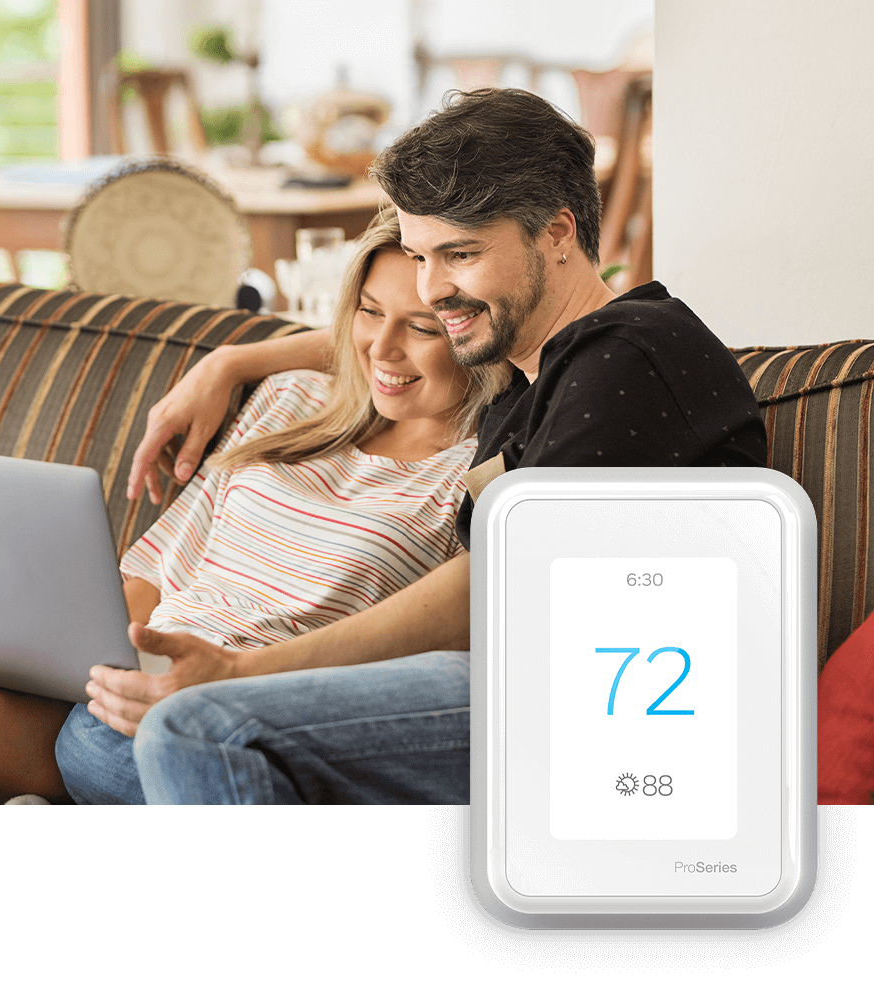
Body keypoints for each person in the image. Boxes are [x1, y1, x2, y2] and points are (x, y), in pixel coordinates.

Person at [79, 87, 769, 804]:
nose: (434, 289)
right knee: (112, 738)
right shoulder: (528, 373)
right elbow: (383, 343)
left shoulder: (629, 353)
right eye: (418, 255)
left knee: (194, 728)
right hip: (528, 684)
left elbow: (503, 581)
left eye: (459, 254)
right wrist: (233, 362)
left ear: (558, 233)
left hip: (619, 710)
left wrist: (239, 675)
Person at [0, 208, 507, 804]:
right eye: (367, 312)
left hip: (216, 714)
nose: (381, 349)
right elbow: (159, 573)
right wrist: (56, 642)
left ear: (473, 331)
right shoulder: (292, 400)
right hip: (122, 668)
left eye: (421, 327)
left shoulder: (477, 472)